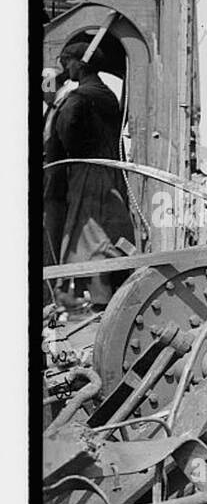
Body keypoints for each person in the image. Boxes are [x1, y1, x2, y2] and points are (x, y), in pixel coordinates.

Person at [44, 39, 135, 305]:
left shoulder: (80, 97)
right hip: (105, 173)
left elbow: (66, 126)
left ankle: (99, 300)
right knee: (100, 236)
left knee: (92, 237)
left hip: (87, 174)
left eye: (67, 63)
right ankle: (97, 298)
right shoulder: (102, 93)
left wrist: (70, 151)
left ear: (80, 63)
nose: (65, 69)